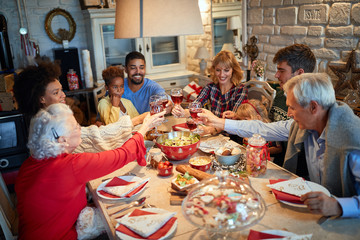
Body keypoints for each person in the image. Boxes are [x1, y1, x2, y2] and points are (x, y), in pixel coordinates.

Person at [199, 73, 360, 218]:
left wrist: (338, 206)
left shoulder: (353, 140)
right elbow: (262, 128)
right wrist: (218, 121)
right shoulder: (301, 125)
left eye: (292, 107)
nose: (288, 113)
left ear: (313, 107)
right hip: (316, 212)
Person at [15, 103, 164, 239]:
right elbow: (122, 155)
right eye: (75, 127)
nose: (80, 128)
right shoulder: (71, 166)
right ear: (62, 140)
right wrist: (145, 127)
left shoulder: (29, 163)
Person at [13, 62, 138, 153]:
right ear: (41, 99)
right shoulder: (52, 134)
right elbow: (92, 138)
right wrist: (139, 120)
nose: (63, 95)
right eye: (56, 92)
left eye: (61, 90)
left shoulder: (48, 122)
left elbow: (90, 135)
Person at [172, 50, 247, 134]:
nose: (222, 75)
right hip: (212, 132)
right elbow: (195, 106)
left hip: (231, 136)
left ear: (233, 70)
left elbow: (232, 121)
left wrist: (209, 130)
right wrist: (182, 112)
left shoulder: (240, 90)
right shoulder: (210, 87)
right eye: (218, 70)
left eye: (226, 70)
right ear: (214, 70)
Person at [270, 44, 316, 122]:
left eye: (282, 71)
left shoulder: (309, 107)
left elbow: (283, 129)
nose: (276, 75)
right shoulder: (281, 94)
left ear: (300, 73)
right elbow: (270, 122)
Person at [235, 99, 283, 163]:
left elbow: (279, 149)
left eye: (245, 119)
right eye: (241, 120)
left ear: (258, 118)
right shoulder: (249, 130)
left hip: (268, 161)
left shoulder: (269, 130)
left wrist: (262, 150)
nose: (243, 123)